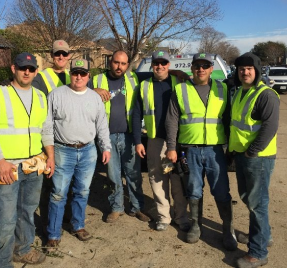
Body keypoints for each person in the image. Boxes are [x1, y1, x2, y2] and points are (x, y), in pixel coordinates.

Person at [0, 52, 55, 267]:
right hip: (8, 166)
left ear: (36, 71)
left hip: (34, 164)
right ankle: (1, 262)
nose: (27, 72)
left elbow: (46, 128)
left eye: (31, 69)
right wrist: (0, 161)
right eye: (23, 68)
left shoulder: (40, 96)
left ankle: (22, 250)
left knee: (28, 211)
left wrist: (51, 156)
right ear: (14, 69)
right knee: (7, 217)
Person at [165, 53, 238, 251]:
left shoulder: (222, 88)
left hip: (216, 150)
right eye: (197, 65)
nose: (201, 69)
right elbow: (171, 120)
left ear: (211, 68)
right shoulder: (180, 90)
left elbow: (229, 119)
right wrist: (171, 147)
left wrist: (231, 148)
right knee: (194, 190)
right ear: (192, 68)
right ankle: (196, 225)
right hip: (191, 151)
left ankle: (227, 229)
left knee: (222, 192)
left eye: (205, 65)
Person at [46, 59, 111, 250]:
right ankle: (53, 234)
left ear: (88, 76)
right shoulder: (56, 95)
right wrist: (49, 152)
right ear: (70, 74)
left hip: (88, 150)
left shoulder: (94, 98)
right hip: (62, 150)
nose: (79, 77)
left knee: (82, 191)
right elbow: (47, 125)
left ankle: (78, 225)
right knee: (58, 194)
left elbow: (101, 124)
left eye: (83, 73)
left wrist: (105, 147)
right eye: (76, 73)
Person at [229, 52, 279, 268]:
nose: (245, 72)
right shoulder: (241, 91)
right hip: (243, 155)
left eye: (249, 68)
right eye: (241, 69)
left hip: (257, 158)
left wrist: (252, 151)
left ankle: (258, 253)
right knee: (252, 199)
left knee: (257, 204)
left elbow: (270, 127)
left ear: (257, 71)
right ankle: (263, 237)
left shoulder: (266, 94)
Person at [90, 50, 151, 223]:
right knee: (112, 174)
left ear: (127, 65)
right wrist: (93, 90)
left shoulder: (134, 79)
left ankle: (137, 207)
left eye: (123, 64)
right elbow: (78, 90)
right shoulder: (97, 80)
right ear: (110, 62)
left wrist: (179, 73)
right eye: (116, 62)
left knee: (134, 173)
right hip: (106, 136)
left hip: (129, 135)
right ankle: (116, 207)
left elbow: (159, 74)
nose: (119, 66)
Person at [132, 51, 190, 232]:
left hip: (178, 139)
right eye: (156, 63)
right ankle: (164, 217)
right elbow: (136, 114)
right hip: (154, 139)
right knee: (157, 179)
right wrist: (137, 141)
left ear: (168, 65)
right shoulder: (144, 85)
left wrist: (179, 74)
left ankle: (181, 217)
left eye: (163, 63)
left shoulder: (179, 83)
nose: (160, 66)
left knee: (177, 180)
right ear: (152, 65)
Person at [32, 39, 72, 236]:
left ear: (69, 56)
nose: (61, 57)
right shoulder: (42, 77)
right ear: (51, 55)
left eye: (64, 54)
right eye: (58, 54)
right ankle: (48, 225)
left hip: (67, 139)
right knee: (51, 184)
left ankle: (63, 217)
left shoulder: (72, 76)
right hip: (50, 139)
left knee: (66, 182)